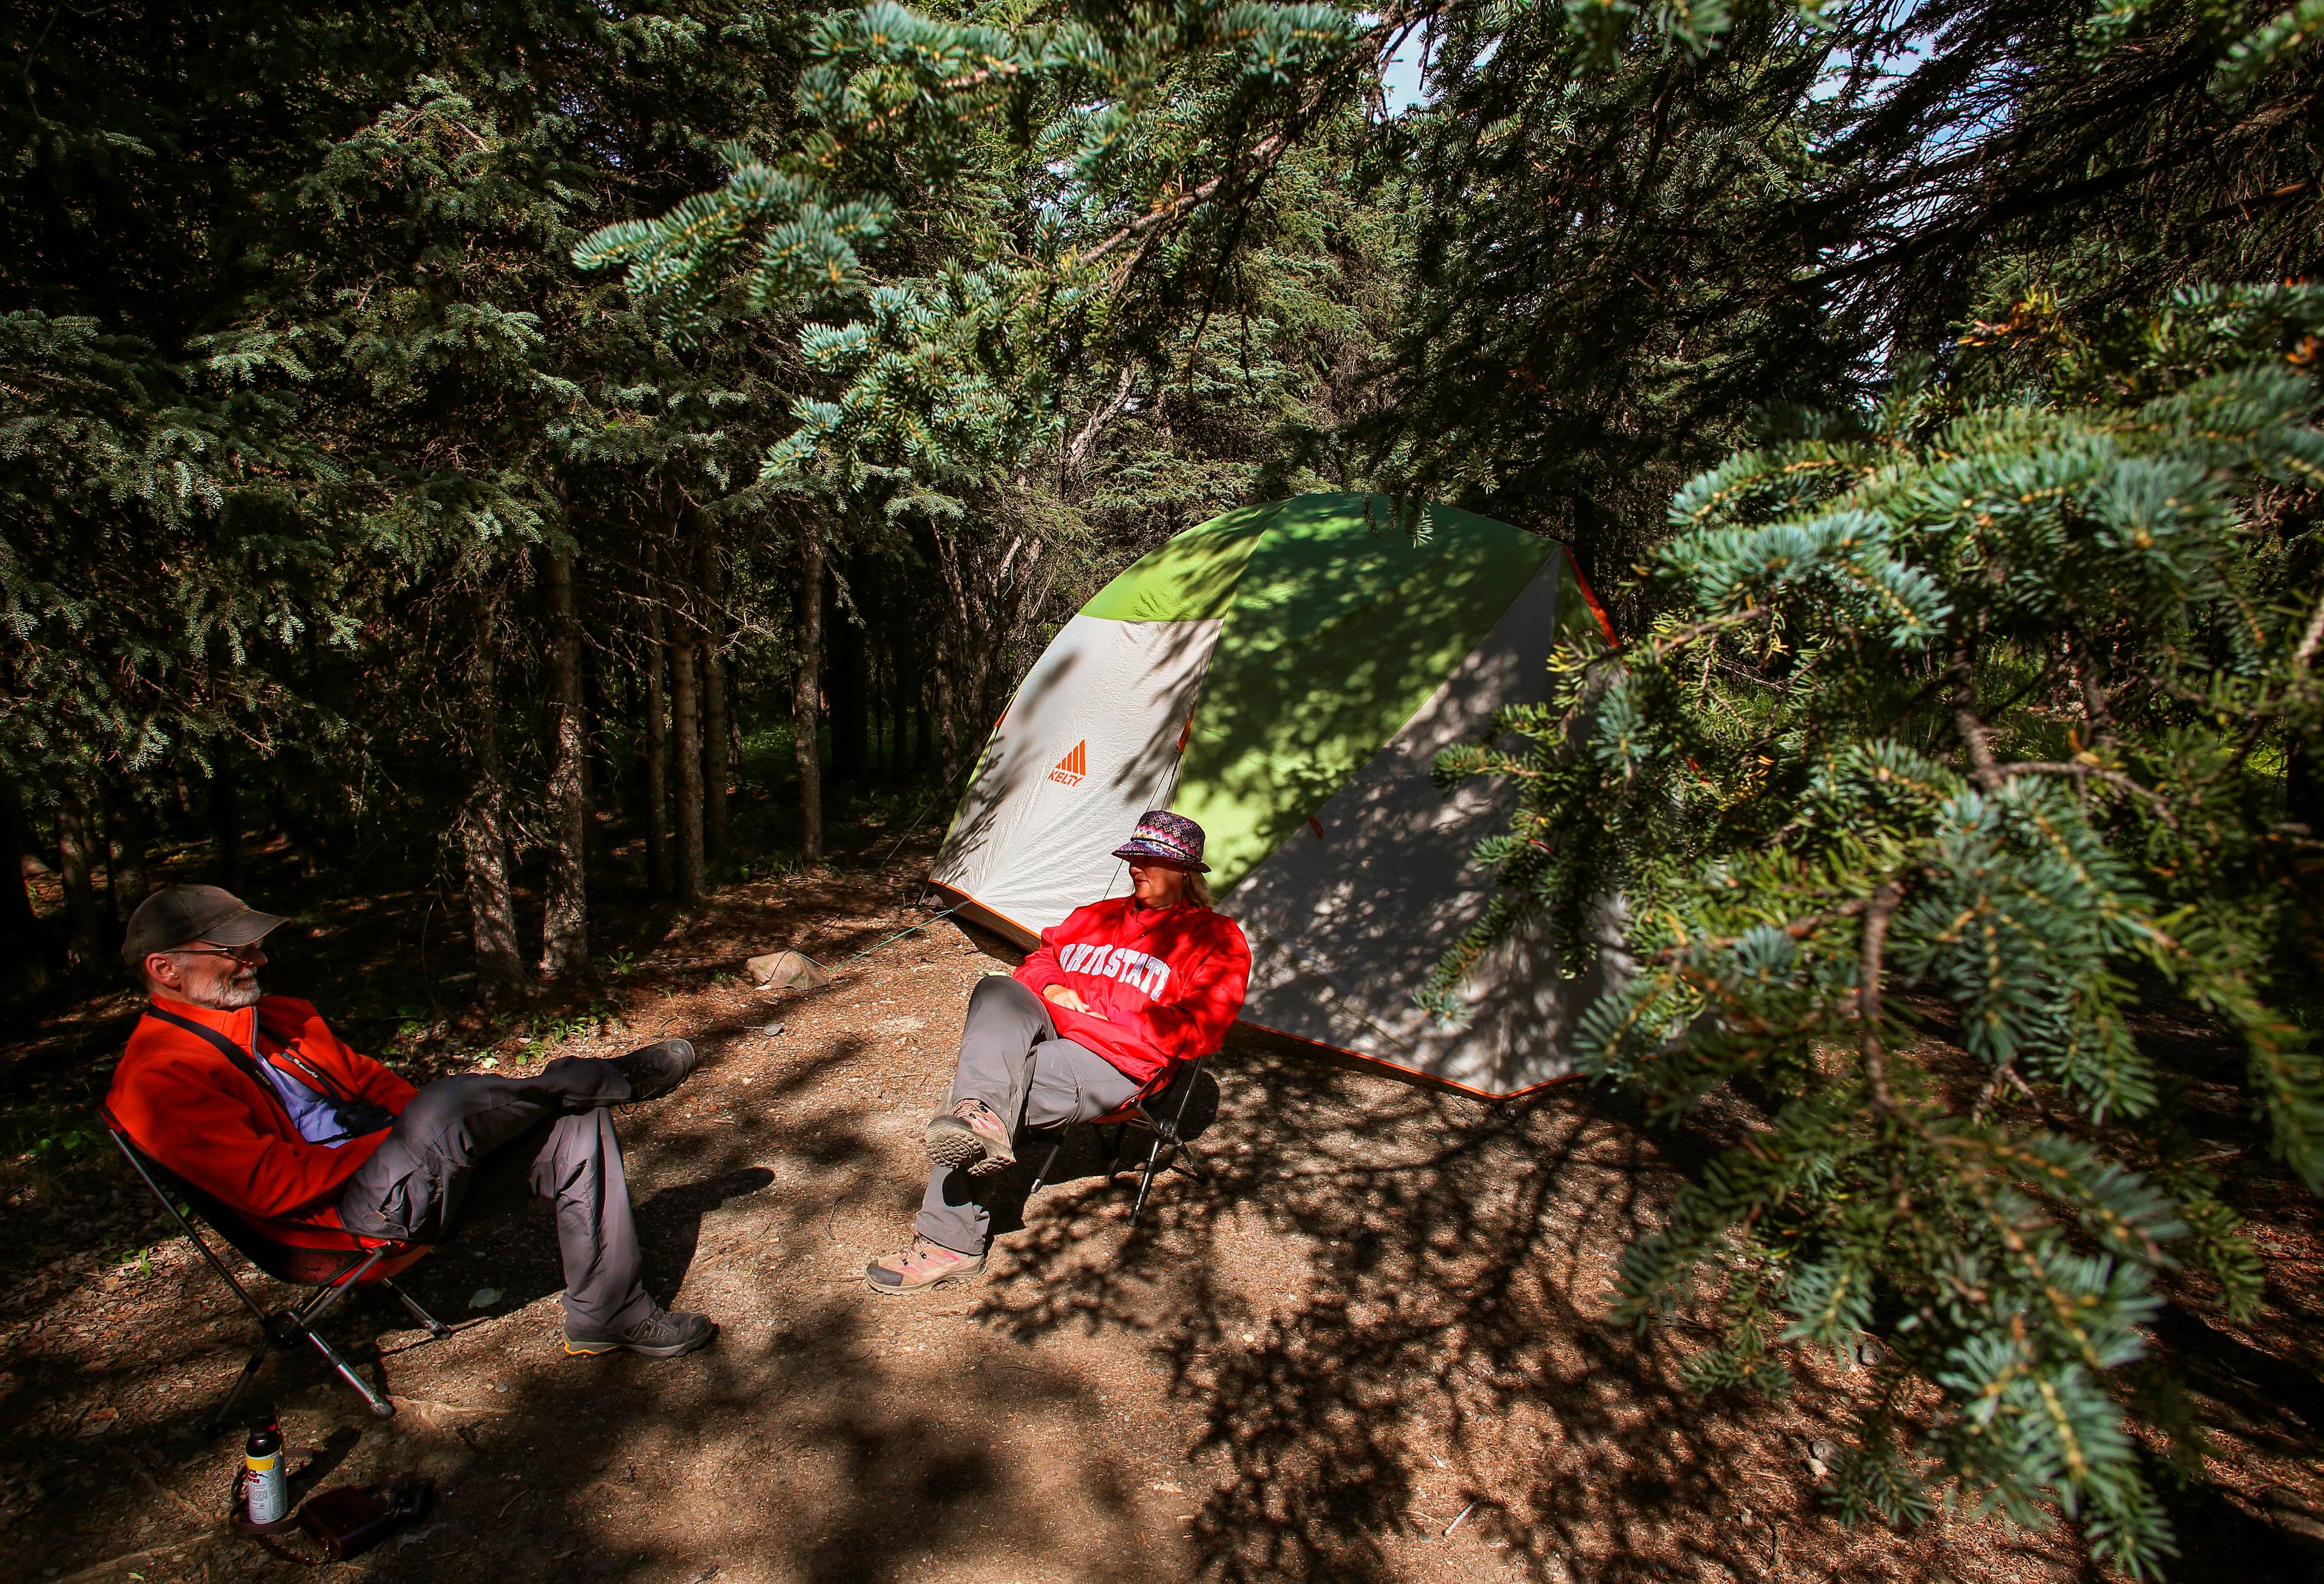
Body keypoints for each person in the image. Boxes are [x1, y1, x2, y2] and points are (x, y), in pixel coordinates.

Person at [105, 884, 718, 1359]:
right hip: (333, 1220)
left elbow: (372, 1081)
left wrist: (425, 1139)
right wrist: (407, 1139)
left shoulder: (281, 1014)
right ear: (166, 969)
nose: (259, 958)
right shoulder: (158, 1076)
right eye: (236, 951)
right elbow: (271, 1185)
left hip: (406, 1172)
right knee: (443, 1108)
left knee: (571, 1123)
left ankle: (609, 1311)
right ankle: (606, 1077)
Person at [867, 811, 1251, 1293]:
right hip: (1052, 1032)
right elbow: (1041, 961)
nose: (1137, 868)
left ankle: (950, 1243)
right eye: (1134, 857)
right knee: (997, 991)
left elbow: (1204, 1029)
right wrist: (1052, 986)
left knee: (991, 1092)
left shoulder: (1216, 938)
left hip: (1117, 1063)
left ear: (1187, 872)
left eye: (1153, 860)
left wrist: (1111, 1016)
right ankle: (979, 1115)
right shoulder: (1096, 916)